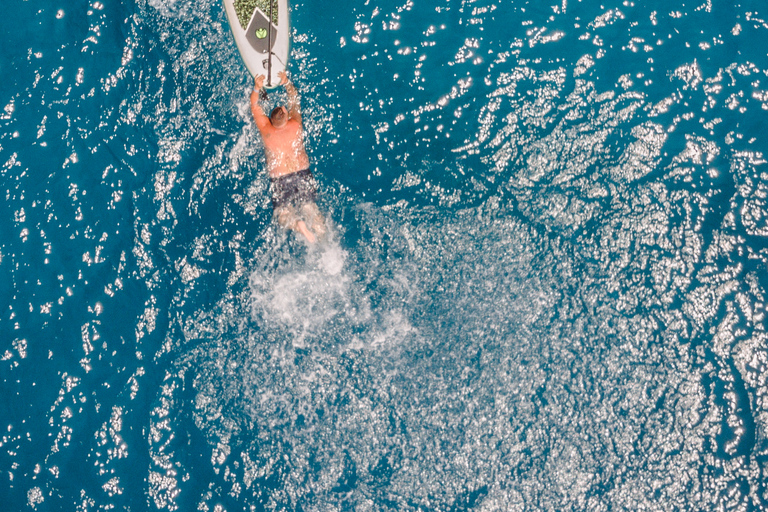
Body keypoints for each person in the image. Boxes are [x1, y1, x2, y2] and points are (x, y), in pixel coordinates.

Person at [251, 71, 326, 243]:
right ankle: (323, 239)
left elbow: (254, 105)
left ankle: (297, 224)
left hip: (279, 177)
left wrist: (257, 88)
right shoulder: (295, 124)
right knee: (310, 207)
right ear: (285, 114)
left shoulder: (266, 130)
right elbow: (294, 98)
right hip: (301, 172)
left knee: (282, 214)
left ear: (270, 119)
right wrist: (286, 83)